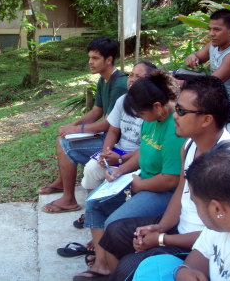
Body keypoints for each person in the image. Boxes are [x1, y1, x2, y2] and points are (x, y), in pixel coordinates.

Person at [98, 76, 230, 281]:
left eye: (182, 111)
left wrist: (162, 239)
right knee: (115, 232)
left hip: (200, 250)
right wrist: (160, 227)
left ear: (206, 120)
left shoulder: (227, 167)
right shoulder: (189, 145)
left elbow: (221, 238)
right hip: (177, 228)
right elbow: (180, 191)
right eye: (177, 108)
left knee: (128, 267)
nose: (175, 116)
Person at [73, 70, 185, 280]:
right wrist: (120, 170)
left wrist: (140, 185)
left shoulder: (174, 130)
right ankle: (102, 264)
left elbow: (171, 179)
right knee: (95, 203)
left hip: (162, 191)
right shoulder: (152, 120)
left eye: (141, 113)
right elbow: (143, 150)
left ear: (158, 107)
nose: (139, 117)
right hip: (142, 179)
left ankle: (118, 274)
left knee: (114, 222)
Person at [134, 150, 230, 281]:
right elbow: (203, 250)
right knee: (155, 264)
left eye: (195, 203)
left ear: (217, 209)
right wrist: (185, 271)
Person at [40, 37, 128, 213]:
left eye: (95, 58)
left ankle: (69, 199)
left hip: (117, 143)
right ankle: (63, 183)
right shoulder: (104, 79)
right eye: (89, 58)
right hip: (108, 135)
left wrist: (76, 130)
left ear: (109, 60)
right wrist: (72, 125)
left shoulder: (119, 84)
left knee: (65, 143)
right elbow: (96, 111)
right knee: (63, 137)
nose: (90, 62)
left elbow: (107, 125)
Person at [74, 61, 156, 229]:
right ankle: (92, 212)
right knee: (91, 168)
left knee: (117, 179)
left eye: (138, 76)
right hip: (118, 151)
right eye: (131, 75)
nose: (132, 80)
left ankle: (102, 218)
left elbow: (149, 147)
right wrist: (106, 154)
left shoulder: (154, 107)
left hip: (136, 157)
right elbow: (112, 131)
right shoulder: (123, 100)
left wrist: (120, 160)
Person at [184, 9, 230, 120]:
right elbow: (198, 56)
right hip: (211, 96)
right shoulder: (214, 44)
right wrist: (192, 56)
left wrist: (182, 83)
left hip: (227, 106)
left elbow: (211, 83)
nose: (211, 34)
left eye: (216, 30)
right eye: (210, 29)